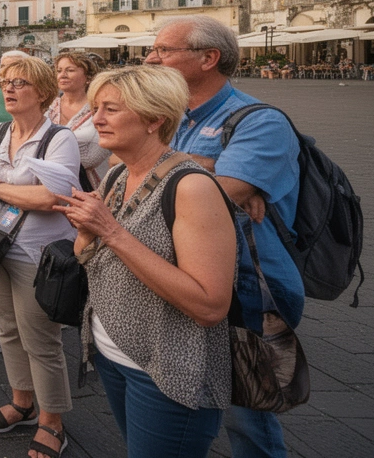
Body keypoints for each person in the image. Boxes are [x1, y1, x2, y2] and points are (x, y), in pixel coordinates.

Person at [56, 65, 237, 457]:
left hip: (167, 370)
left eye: (110, 110)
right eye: (94, 108)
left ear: (155, 119)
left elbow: (209, 304)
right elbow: (85, 255)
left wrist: (111, 232)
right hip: (113, 352)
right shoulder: (119, 174)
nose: (95, 120)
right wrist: (88, 228)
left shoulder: (191, 187)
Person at [145, 16, 304, 458]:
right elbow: (133, 176)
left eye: (164, 50)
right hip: (185, 276)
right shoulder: (172, 117)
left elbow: (212, 196)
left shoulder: (260, 122)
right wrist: (206, 168)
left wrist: (200, 178)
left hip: (248, 285)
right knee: (182, 394)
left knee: (247, 411)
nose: (151, 57)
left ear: (208, 58)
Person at [0, 54, 81, 458]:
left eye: (20, 83)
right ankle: (22, 402)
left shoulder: (58, 138)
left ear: (43, 93)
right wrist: (6, 188)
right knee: (7, 328)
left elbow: (51, 197)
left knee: (41, 339)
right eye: (6, 82)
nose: (8, 89)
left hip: (37, 253)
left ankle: (52, 422)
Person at [48, 53, 111, 192]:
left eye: (70, 70)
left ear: (87, 77)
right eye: (59, 71)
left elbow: (95, 156)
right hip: (44, 183)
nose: (62, 75)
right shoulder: (48, 106)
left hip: (82, 185)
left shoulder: (98, 109)